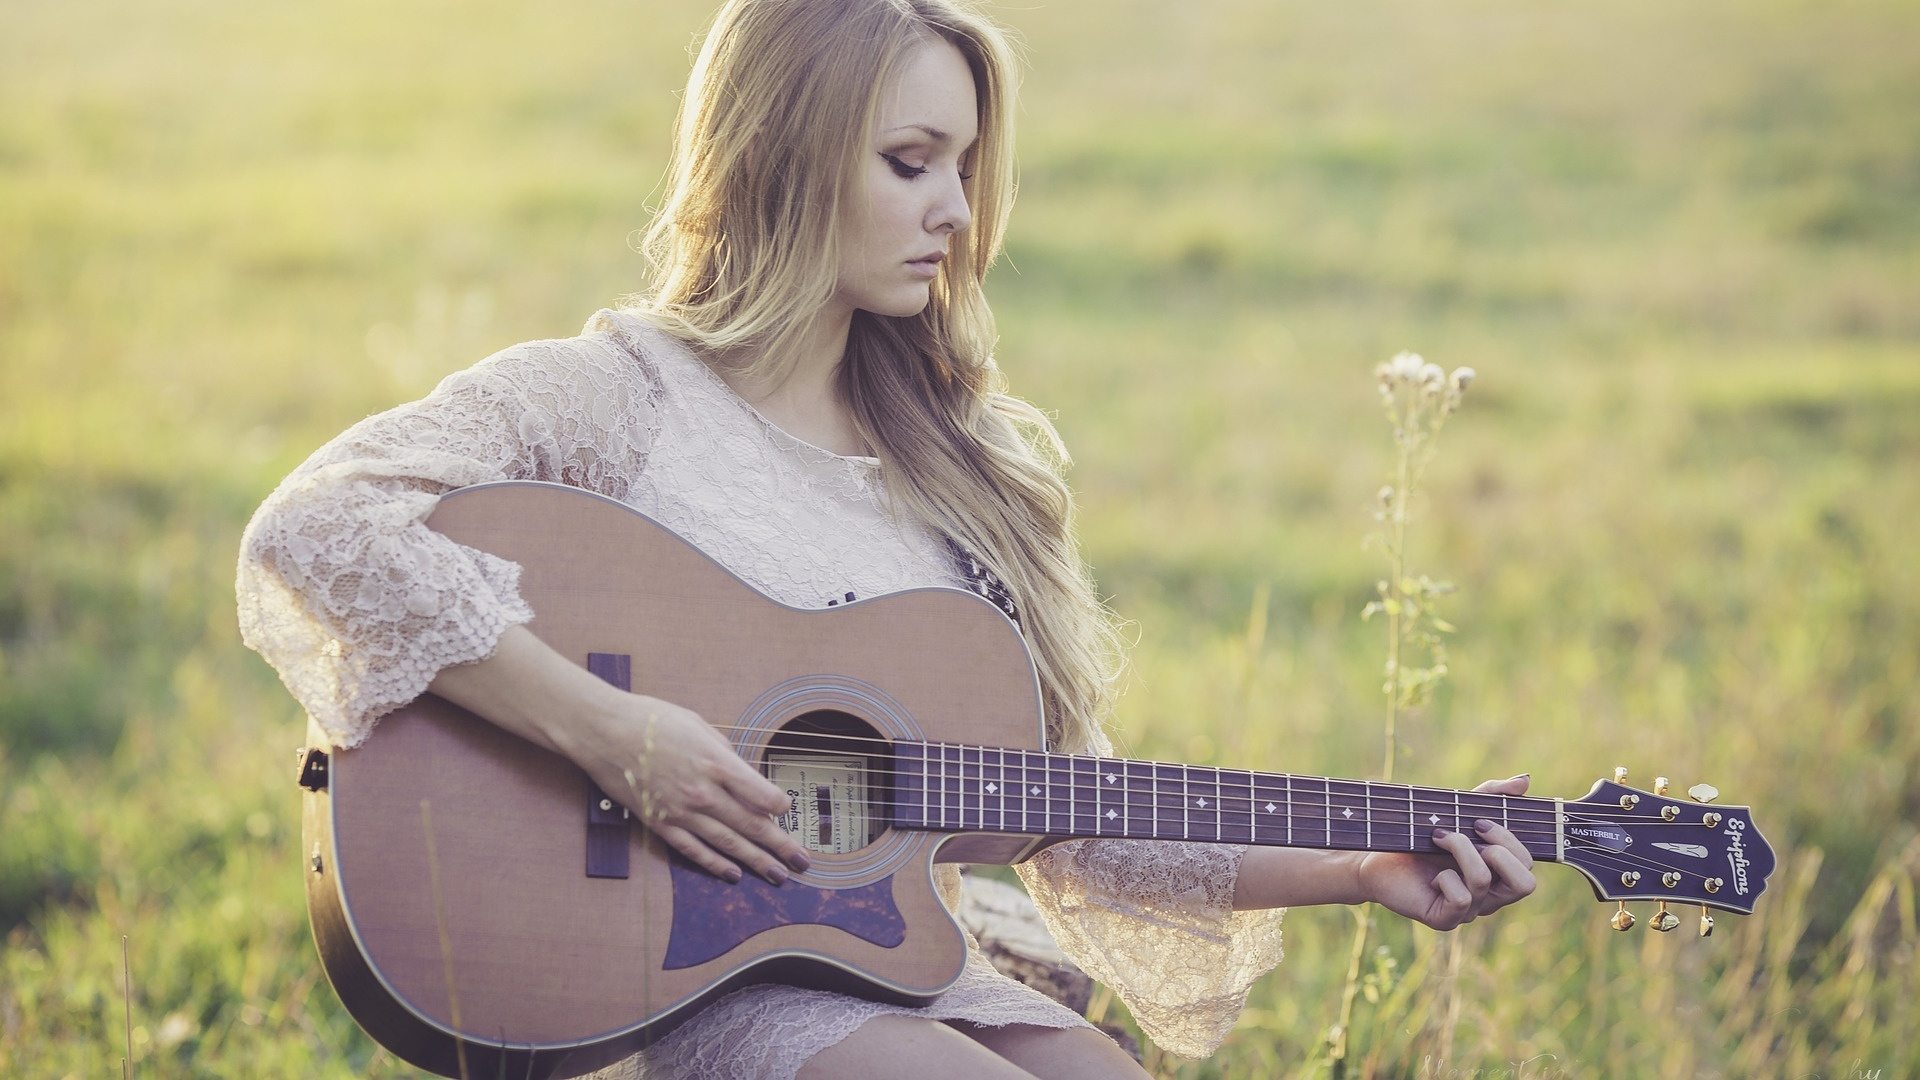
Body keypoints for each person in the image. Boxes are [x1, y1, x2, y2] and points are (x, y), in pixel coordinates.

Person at [235, 1, 1537, 1076]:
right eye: (911, 163)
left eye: (967, 168)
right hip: (691, 981)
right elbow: (318, 527)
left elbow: (1067, 817)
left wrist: (1367, 867)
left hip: (890, 951)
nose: (958, 214)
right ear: (780, 154)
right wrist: (616, 735)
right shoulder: (619, 400)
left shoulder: (977, 461)